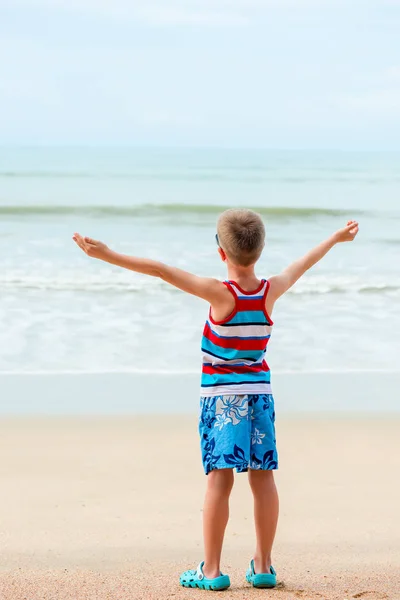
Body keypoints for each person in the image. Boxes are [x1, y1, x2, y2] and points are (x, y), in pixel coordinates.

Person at [73, 209, 358, 591]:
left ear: (221, 252)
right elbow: (303, 263)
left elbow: (162, 270)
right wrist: (336, 238)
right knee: (263, 478)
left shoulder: (220, 294)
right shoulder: (270, 290)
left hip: (224, 401)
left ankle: (211, 570)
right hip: (259, 398)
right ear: (259, 249)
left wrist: (107, 255)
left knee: (219, 480)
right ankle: (263, 565)